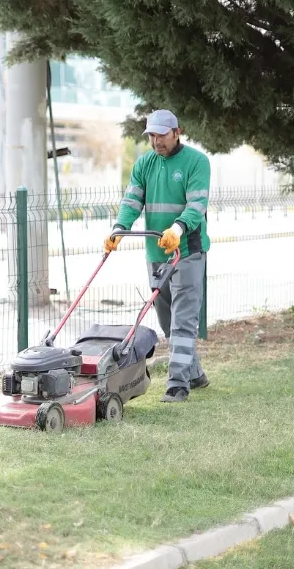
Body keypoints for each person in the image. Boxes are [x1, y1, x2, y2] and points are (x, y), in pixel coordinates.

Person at [105, 109, 210, 403]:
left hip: (187, 251)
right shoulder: (144, 164)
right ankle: (196, 374)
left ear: (177, 132)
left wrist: (177, 228)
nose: (156, 141)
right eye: (151, 135)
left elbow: (196, 205)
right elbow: (132, 200)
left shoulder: (197, 162)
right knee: (168, 322)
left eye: (162, 134)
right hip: (156, 251)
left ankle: (177, 386)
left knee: (183, 323)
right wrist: (118, 229)